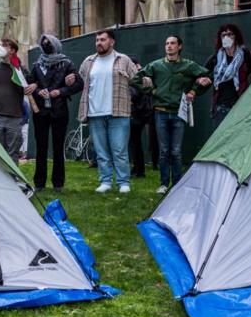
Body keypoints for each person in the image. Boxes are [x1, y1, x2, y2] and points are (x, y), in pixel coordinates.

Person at [131, 35, 211, 194]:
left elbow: (206, 78)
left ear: (179, 46)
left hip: (179, 114)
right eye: (167, 43)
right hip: (160, 113)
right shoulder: (156, 65)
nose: (169, 46)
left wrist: (194, 91)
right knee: (164, 151)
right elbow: (135, 79)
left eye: (173, 43)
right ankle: (163, 183)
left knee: (175, 151)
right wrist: (152, 91)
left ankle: (177, 184)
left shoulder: (188, 66)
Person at [78, 29, 138, 194]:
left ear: (112, 42)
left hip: (118, 112)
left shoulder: (123, 60)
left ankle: (123, 182)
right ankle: (105, 182)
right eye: (97, 40)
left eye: (103, 40)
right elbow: (80, 81)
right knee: (101, 151)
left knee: (119, 150)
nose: (99, 43)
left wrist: (147, 80)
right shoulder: (88, 61)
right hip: (95, 113)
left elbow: (138, 80)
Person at [30, 34, 83, 192]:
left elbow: (79, 83)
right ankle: (39, 183)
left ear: (56, 45)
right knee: (41, 147)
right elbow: (30, 85)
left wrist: (60, 91)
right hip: (40, 112)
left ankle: (58, 183)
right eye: (44, 43)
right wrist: (38, 91)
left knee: (58, 148)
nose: (46, 45)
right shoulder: (37, 65)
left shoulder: (66, 63)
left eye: (49, 43)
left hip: (59, 111)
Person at [0, 37, 35, 164]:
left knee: (12, 152)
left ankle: (13, 181)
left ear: (12, 50)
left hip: (15, 117)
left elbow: (33, 82)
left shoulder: (21, 70)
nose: (0, 47)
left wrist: (34, 86)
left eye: (3, 45)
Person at [205, 24, 251, 130]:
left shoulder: (246, 55)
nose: (226, 37)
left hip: (241, 107)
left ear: (236, 37)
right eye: (223, 35)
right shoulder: (215, 57)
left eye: (230, 34)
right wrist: (202, 80)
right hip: (220, 108)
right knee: (220, 142)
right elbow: (202, 74)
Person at [128, 55, 158, 178]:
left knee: (135, 142)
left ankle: (139, 170)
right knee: (143, 141)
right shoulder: (145, 74)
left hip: (139, 113)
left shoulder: (137, 76)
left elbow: (135, 94)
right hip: (147, 111)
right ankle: (148, 166)